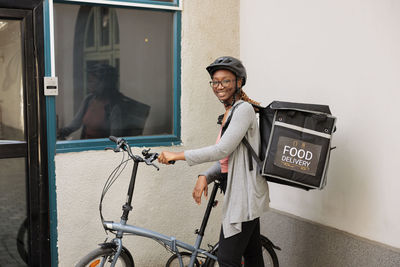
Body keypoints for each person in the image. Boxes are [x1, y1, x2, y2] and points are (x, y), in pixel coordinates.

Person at [158, 56, 270, 266]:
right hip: (242, 191)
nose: (219, 86)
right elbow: (229, 159)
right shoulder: (230, 112)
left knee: (227, 260)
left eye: (225, 81)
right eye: (215, 82)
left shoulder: (243, 110)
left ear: (239, 82)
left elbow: (221, 150)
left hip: (244, 194)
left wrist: (177, 155)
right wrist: (205, 176)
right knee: (253, 257)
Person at [57, 63, 150, 140]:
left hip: (101, 151)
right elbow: (75, 125)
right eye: (89, 81)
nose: (89, 84)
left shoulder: (115, 106)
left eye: (92, 81)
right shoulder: (89, 99)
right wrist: (59, 133)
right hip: (86, 149)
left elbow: (115, 138)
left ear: (105, 83)